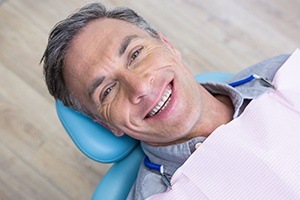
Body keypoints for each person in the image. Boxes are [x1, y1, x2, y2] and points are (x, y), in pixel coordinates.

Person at [41, 3, 290, 199]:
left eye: (135, 54)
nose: (140, 86)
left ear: (168, 46)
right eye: (107, 91)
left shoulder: (285, 74)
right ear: (107, 125)